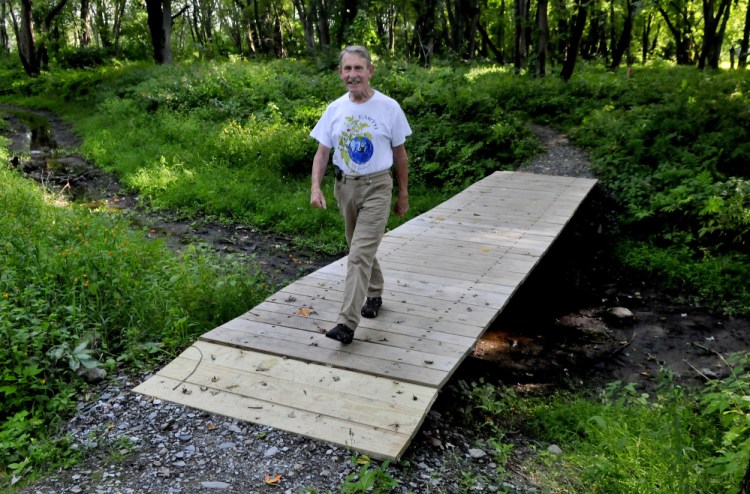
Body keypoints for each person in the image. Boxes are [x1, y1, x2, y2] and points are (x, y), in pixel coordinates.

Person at [309, 45, 411, 344]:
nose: (353, 75)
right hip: (345, 187)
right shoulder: (335, 109)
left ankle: (346, 324)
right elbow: (322, 152)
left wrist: (403, 194)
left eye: (358, 68)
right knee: (358, 247)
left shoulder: (389, 107)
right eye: (347, 69)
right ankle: (375, 292)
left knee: (357, 256)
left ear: (370, 71)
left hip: (378, 186)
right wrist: (316, 187)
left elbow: (400, 155)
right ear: (341, 73)